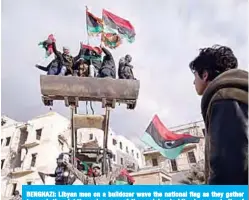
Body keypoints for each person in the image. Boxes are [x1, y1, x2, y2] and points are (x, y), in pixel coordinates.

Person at [189, 45, 248, 185]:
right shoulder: (237, 93)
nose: (193, 82)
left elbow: (229, 164)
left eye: (195, 76)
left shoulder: (225, 97)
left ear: (204, 75)